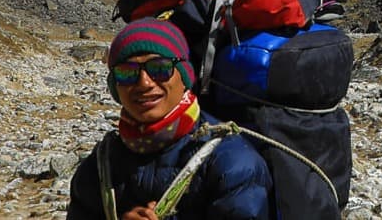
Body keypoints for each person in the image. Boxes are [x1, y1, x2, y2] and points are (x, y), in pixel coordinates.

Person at [68, 18, 274, 219]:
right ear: (115, 86)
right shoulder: (100, 165)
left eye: (159, 68)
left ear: (184, 76)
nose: (144, 83)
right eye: (127, 72)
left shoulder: (232, 163)